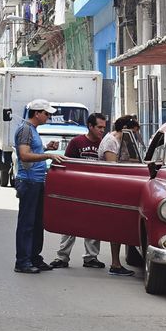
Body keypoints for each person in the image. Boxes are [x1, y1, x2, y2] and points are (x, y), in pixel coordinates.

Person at [51, 112, 109, 270]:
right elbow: (67, 165)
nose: (102, 130)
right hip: (76, 190)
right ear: (90, 126)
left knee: (94, 224)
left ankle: (91, 257)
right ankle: (62, 256)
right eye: (99, 127)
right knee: (69, 223)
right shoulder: (77, 142)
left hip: (96, 191)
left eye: (104, 127)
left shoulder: (105, 145)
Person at [13, 100, 64, 274]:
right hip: (28, 181)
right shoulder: (26, 129)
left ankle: (34, 257)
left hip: (36, 181)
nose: (48, 117)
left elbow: (31, 150)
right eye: (46, 114)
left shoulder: (32, 130)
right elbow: (24, 155)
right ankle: (23, 261)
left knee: (36, 222)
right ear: (37, 113)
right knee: (27, 223)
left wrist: (44, 148)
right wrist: (47, 155)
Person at [96, 115, 141, 276]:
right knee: (116, 224)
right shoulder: (111, 141)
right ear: (125, 130)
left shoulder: (122, 141)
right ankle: (115, 263)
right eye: (133, 132)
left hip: (121, 187)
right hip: (113, 188)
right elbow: (113, 168)